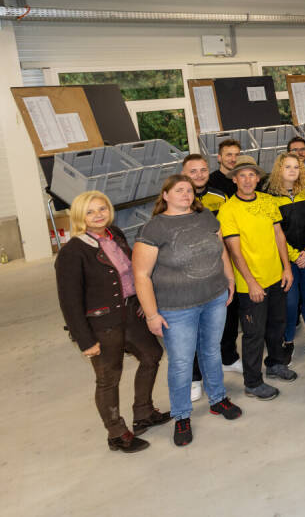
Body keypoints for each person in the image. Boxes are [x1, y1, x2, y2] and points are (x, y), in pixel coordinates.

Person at [133, 176, 243, 447]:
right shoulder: (154, 229)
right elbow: (141, 275)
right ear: (165, 195)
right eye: (179, 190)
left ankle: (217, 398)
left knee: (211, 351)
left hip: (214, 298)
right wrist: (151, 314)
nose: (186, 194)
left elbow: (221, 251)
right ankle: (181, 415)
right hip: (176, 308)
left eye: (189, 190)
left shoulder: (206, 217)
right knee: (182, 363)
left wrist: (229, 279)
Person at [55, 191, 169, 453]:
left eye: (102, 209)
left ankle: (143, 413)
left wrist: (142, 304)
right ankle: (117, 434)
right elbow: (69, 301)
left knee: (152, 355)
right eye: (90, 212)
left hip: (129, 312)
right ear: (79, 216)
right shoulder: (73, 251)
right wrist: (85, 340)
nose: (98, 215)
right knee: (109, 377)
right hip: (102, 323)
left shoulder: (115, 234)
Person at [218, 155, 296, 401]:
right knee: (254, 334)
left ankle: (275, 363)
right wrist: (251, 282)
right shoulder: (228, 209)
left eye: (251, 174)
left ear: (258, 178)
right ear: (234, 179)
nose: (247, 179)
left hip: (276, 277)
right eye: (242, 175)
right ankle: (252, 382)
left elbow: (279, 235)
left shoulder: (268, 201)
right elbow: (234, 250)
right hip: (250, 284)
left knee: (277, 324)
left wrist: (287, 268)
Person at [181, 153, 238, 398]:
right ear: (183, 174)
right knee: (193, 326)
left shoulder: (220, 196)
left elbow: (227, 230)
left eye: (203, 170)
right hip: (190, 274)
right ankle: (195, 377)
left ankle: (229, 357)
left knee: (228, 315)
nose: (199, 175)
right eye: (193, 171)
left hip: (219, 266)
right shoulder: (178, 200)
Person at [264, 152, 305, 358]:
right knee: (290, 303)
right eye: (288, 167)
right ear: (279, 170)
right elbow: (274, 233)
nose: (293, 170)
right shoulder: (269, 197)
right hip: (286, 260)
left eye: (296, 167)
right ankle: (288, 340)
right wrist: (294, 256)